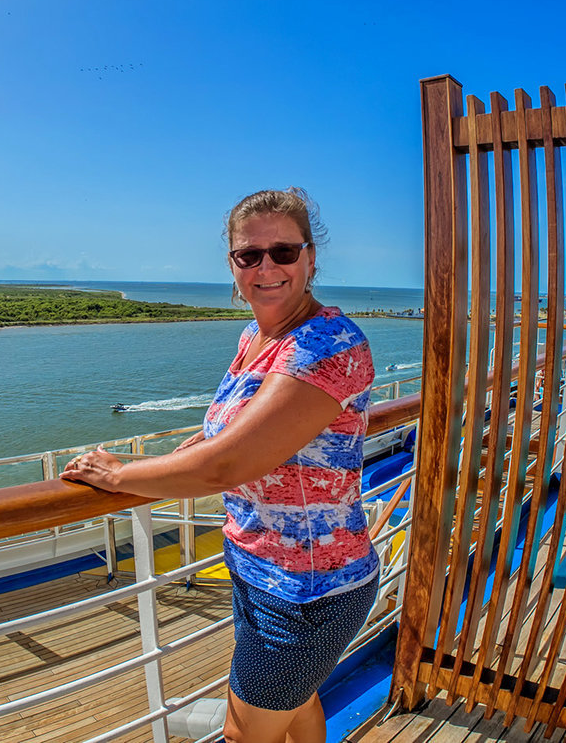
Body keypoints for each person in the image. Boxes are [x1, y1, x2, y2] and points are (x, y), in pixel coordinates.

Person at [61, 187, 378, 743]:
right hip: (255, 565)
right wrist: (153, 462)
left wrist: (115, 477)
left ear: (310, 258)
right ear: (232, 264)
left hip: (308, 590)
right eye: (248, 255)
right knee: (297, 708)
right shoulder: (255, 337)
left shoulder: (329, 343)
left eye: (283, 252)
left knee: (243, 733)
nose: (266, 267)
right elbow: (223, 436)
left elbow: (223, 466)